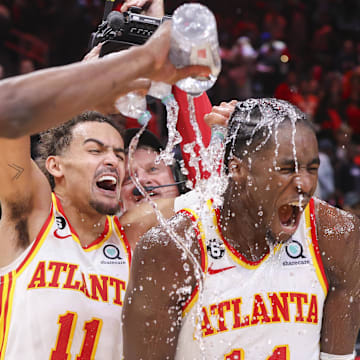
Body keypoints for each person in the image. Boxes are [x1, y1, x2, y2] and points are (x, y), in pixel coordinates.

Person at [0, 20, 209, 358]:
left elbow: (214, 193)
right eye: (96, 150)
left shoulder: (131, 234)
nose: (113, 160)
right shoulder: (32, 216)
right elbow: (7, 112)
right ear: (55, 166)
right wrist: (89, 81)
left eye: (117, 153)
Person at [123, 98, 360, 360]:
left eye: (311, 169)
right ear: (237, 169)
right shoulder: (172, 247)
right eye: (285, 169)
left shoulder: (336, 234)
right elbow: (130, 222)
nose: (304, 183)